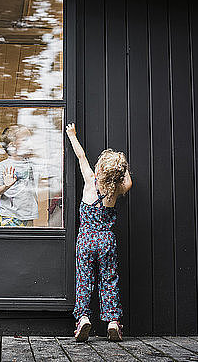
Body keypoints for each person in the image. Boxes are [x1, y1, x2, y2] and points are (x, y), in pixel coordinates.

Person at [65, 122, 132, 342]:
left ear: (100, 169)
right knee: (109, 279)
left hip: (86, 240)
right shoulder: (117, 190)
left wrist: (72, 135)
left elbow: (81, 156)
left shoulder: (89, 182)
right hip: (106, 241)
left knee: (84, 280)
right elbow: (128, 181)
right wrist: (122, 166)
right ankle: (113, 321)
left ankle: (83, 318)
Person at [0, 125, 39, 226]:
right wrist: (6, 186)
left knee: (28, 241)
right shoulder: (3, 166)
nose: (30, 143)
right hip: (9, 216)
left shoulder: (29, 164)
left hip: (28, 215)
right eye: (25, 140)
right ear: (12, 146)